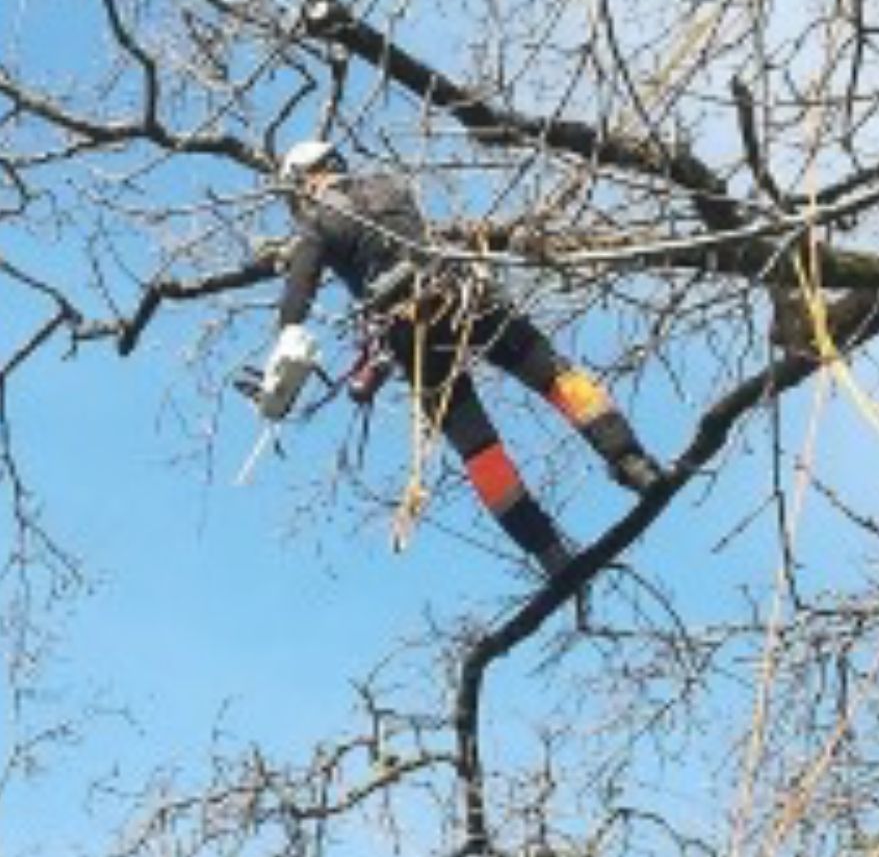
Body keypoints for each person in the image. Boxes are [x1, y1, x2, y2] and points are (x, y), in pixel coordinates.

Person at [258, 138, 663, 578]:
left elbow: (299, 295)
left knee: (478, 446)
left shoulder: (321, 223)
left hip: (412, 331)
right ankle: (632, 462)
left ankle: (548, 552)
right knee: (554, 375)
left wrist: (284, 345)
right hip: (464, 294)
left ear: (306, 178)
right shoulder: (391, 188)